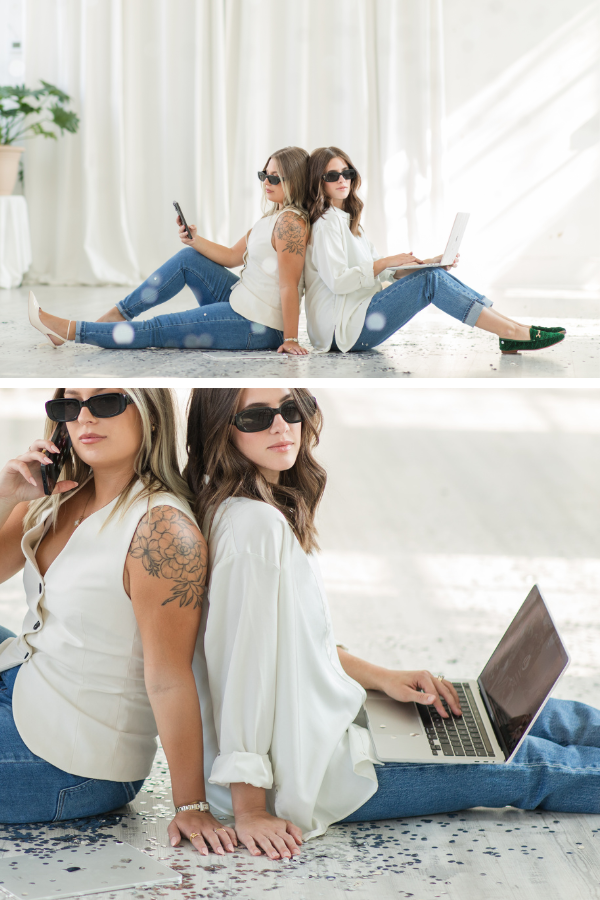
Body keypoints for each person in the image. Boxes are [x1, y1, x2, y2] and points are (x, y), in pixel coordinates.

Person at [184, 385, 600, 861]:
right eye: (256, 417)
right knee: (536, 766)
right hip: (316, 774)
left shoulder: (258, 508)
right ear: (220, 430)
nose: (281, 426)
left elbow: (295, 644)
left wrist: (384, 679)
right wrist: (251, 809)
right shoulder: (252, 529)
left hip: (330, 722)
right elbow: (242, 675)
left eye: (292, 409)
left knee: (546, 718)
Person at [0, 387, 237, 857]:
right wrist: (6, 496)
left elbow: (169, 677)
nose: (85, 418)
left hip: (71, 761)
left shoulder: (161, 530)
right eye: (70, 405)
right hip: (27, 679)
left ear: (151, 412)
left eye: (106, 402)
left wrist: (191, 804)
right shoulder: (55, 494)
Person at [28, 147, 310, 356]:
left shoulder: (291, 225)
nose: (266, 182)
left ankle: (70, 330)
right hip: (242, 300)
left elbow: (289, 286)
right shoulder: (272, 218)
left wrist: (290, 339)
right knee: (189, 259)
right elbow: (231, 256)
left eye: (276, 178)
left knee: (160, 328)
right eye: (264, 175)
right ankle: (118, 314)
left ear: (295, 181)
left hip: (258, 325)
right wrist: (195, 240)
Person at [303, 146, 566, 354]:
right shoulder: (326, 224)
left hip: (358, 319)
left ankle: (514, 328)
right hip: (342, 331)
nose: (342, 180)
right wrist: (385, 262)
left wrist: (426, 263)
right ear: (319, 182)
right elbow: (338, 282)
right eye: (332, 176)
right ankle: (510, 332)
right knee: (430, 281)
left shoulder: (349, 222)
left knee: (432, 275)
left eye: (347, 172)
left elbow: (383, 275)